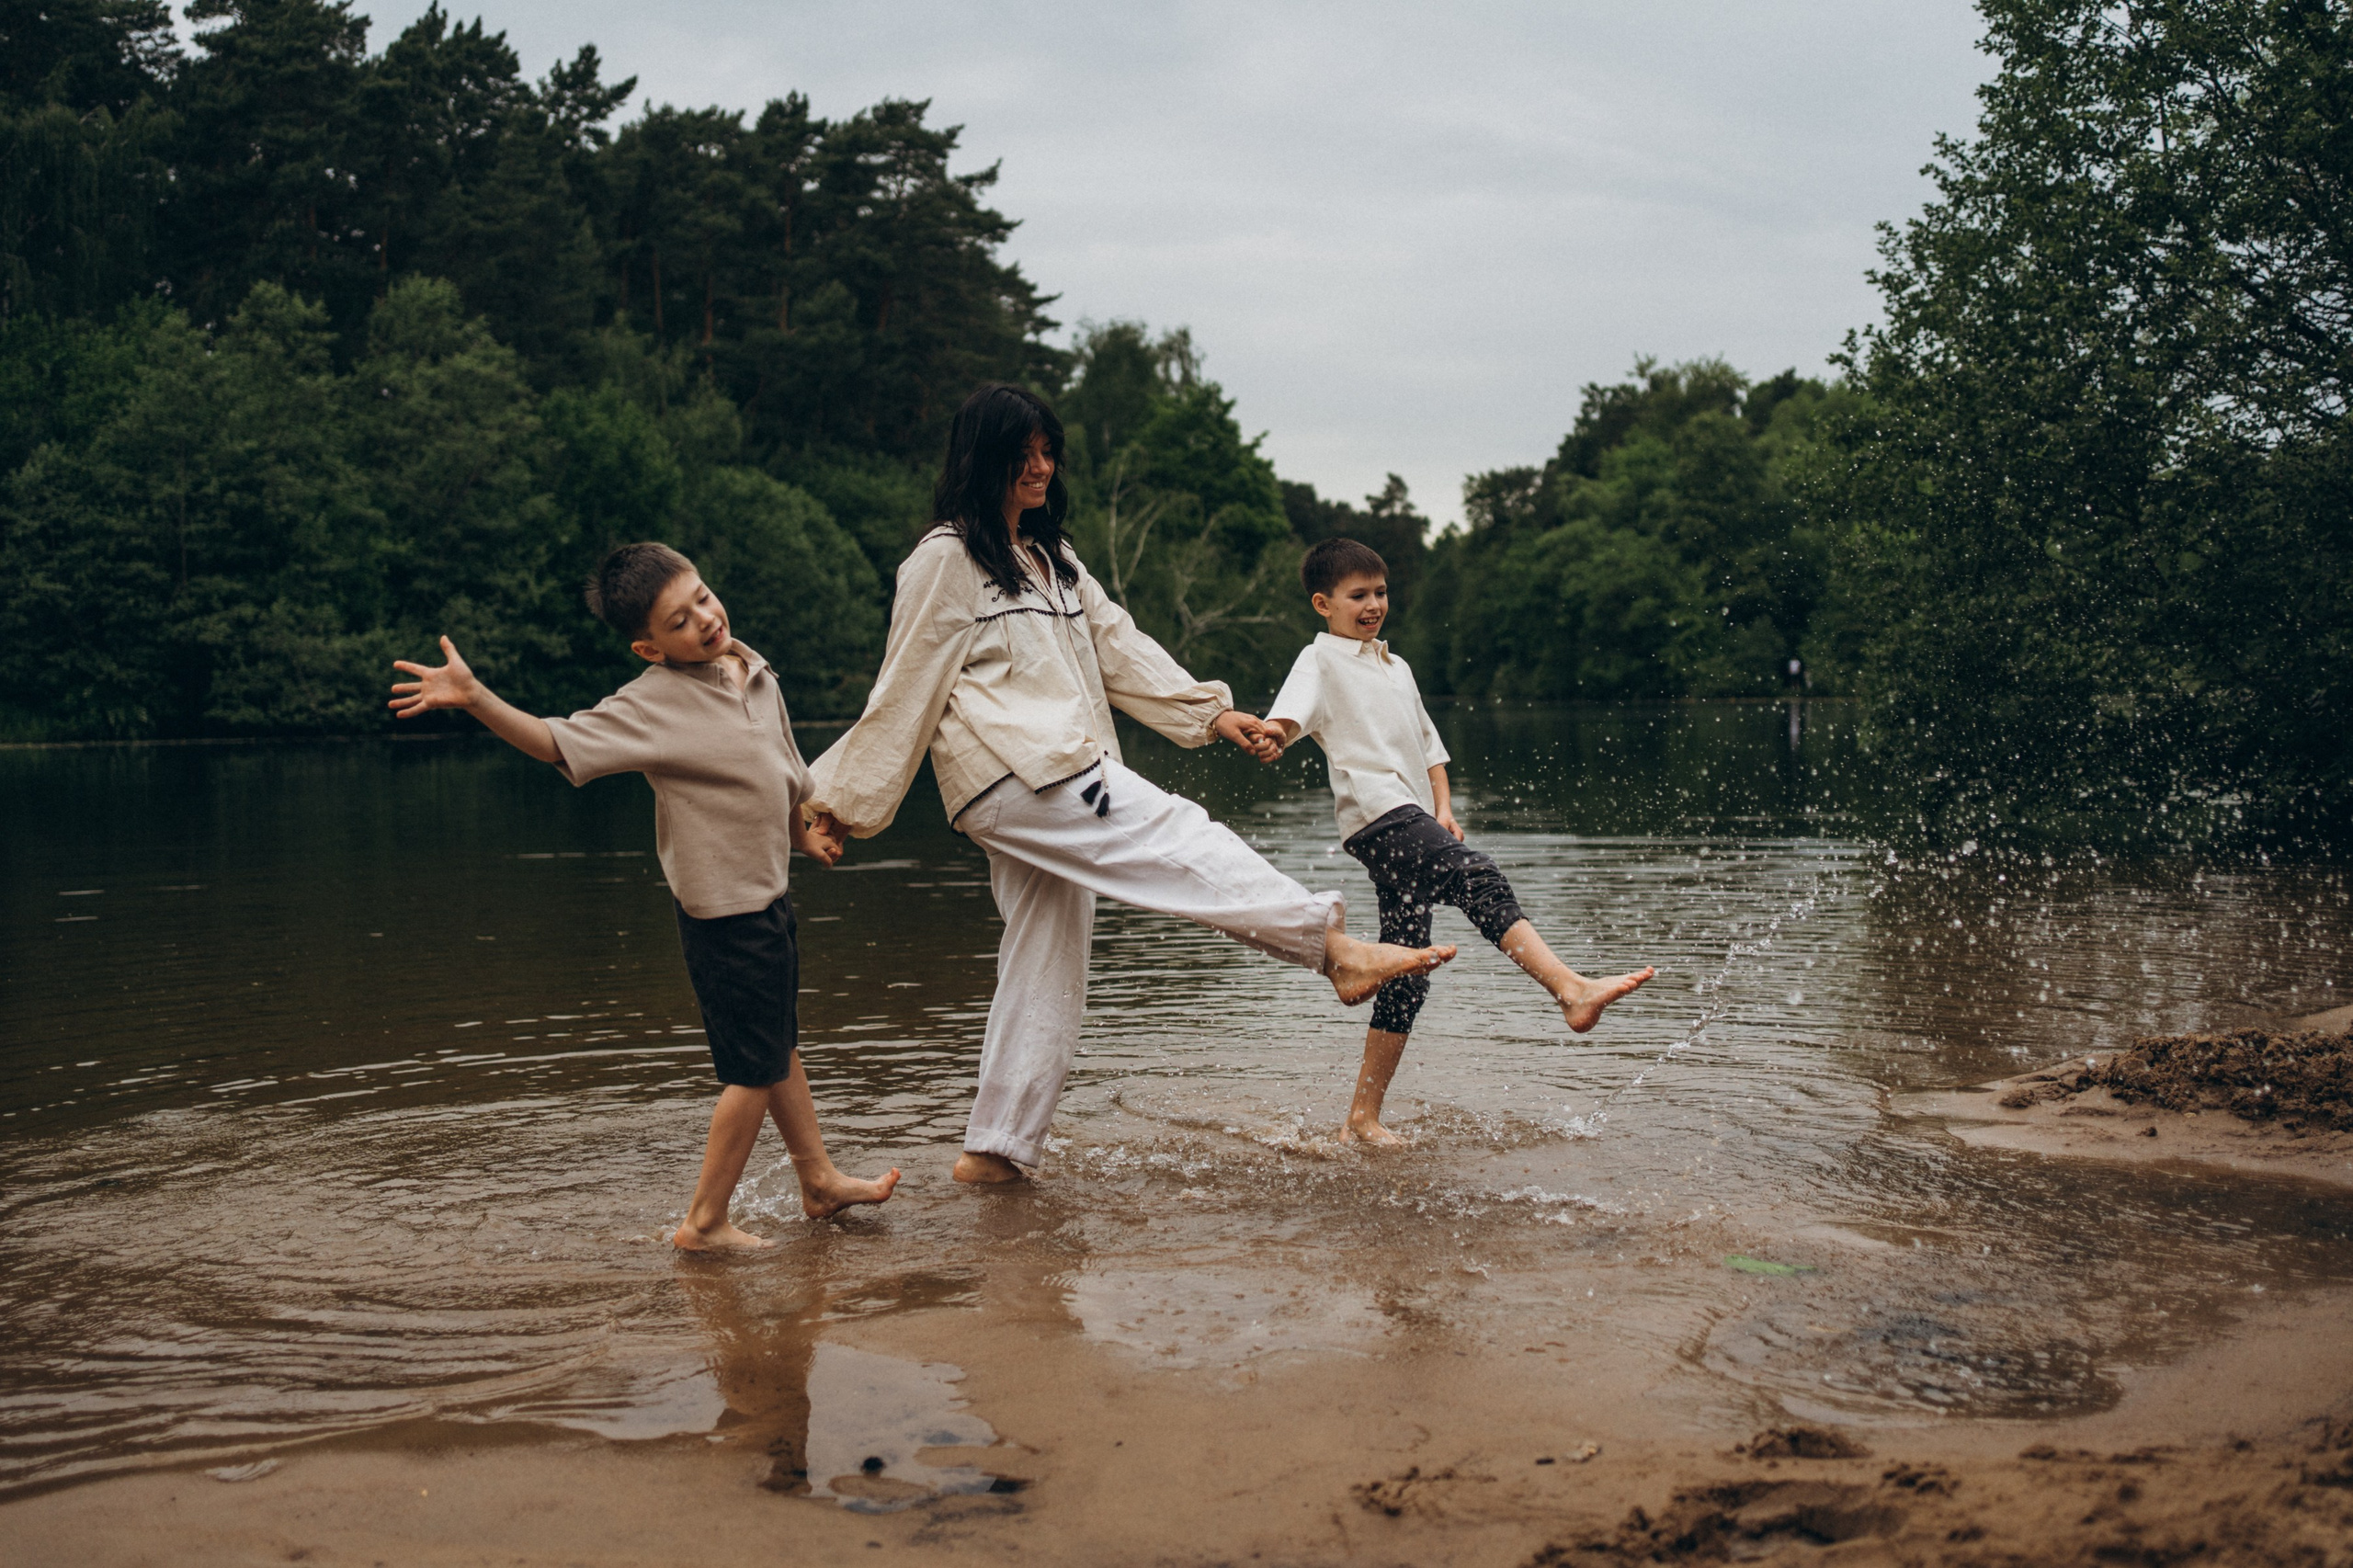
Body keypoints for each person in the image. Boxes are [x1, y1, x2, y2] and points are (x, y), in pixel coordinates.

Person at [803, 383, 1456, 1185]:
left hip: (1055, 772)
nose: (1041, 467)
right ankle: (1329, 948)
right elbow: (903, 686)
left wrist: (1215, 714)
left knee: (1046, 956)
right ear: (984, 460)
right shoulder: (946, 558)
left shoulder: (1055, 560)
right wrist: (837, 801)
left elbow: (1122, 648)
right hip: (1023, 771)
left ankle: (995, 1152)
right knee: (1176, 832)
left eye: (1050, 453)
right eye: (1025, 455)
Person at [387, 543, 901, 1249]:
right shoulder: (651, 706)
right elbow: (551, 743)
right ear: (649, 648)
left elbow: (776, 772)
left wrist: (801, 836)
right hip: (724, 917)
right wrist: (477, 698)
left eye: (703, 598)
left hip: (768, 900)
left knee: (775, 1045)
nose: (704, 619)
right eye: (679, 621)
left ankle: (817, 1182)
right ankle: (704, 1223)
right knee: (752, 1072)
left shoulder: (752, 670)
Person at [1257, 538, 1656, 1145]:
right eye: (1357, 595)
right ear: (1323, 603)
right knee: (1479, 876)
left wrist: (1442, 808)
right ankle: (1569, 989)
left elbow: (1432, 751)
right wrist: (1272, 737)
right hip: (1377, 819)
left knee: (1406, 975)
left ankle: (1360, 1120)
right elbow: (1289, 717)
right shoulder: (1321, 661)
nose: (1373, 605)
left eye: (1381, 593)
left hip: (1413, 817)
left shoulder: (1398, 668)